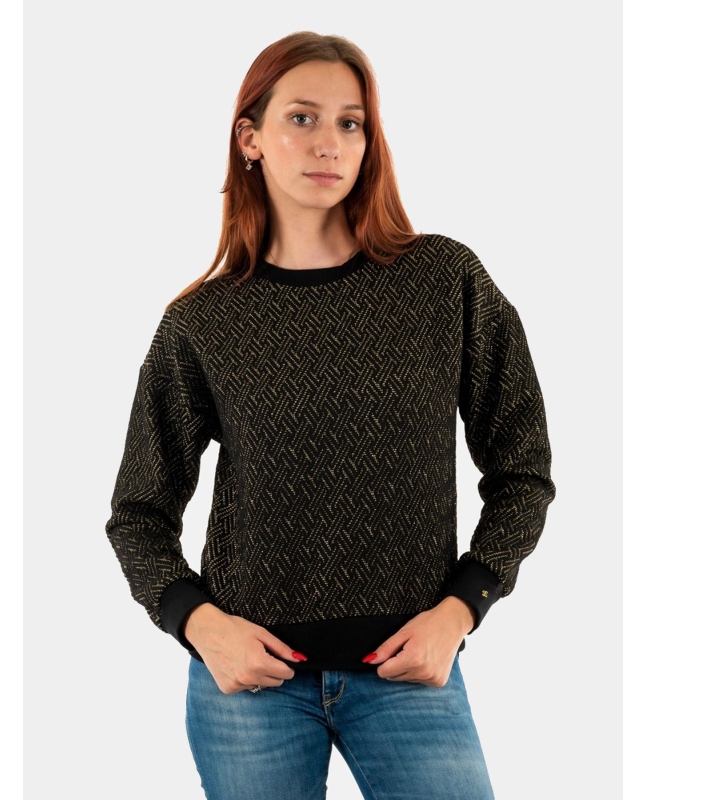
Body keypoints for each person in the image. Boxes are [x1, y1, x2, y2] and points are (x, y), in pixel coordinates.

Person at [105, 31, 556, 800]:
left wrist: (463, 607)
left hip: (410, 673)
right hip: (249, 686)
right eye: (302, 118)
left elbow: (523, 469)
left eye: (351, 123)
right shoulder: (203, 322)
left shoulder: (443, 280)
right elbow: (139, 512)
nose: (330, 143)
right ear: (250, 138)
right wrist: (199, 625)